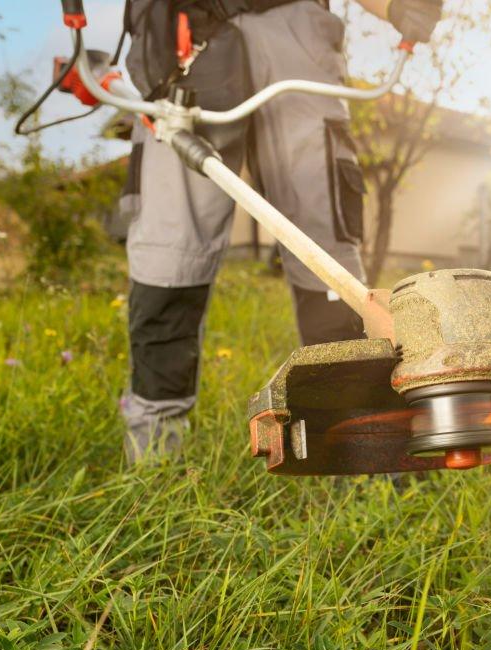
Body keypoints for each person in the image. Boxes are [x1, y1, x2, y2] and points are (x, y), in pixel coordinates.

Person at [119, 0, 442, 463]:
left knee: (326, 253)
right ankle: (152, 451)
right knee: (169, 253)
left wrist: (395, 6)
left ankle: (355, 447)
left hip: (293, 30)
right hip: (181, 37)